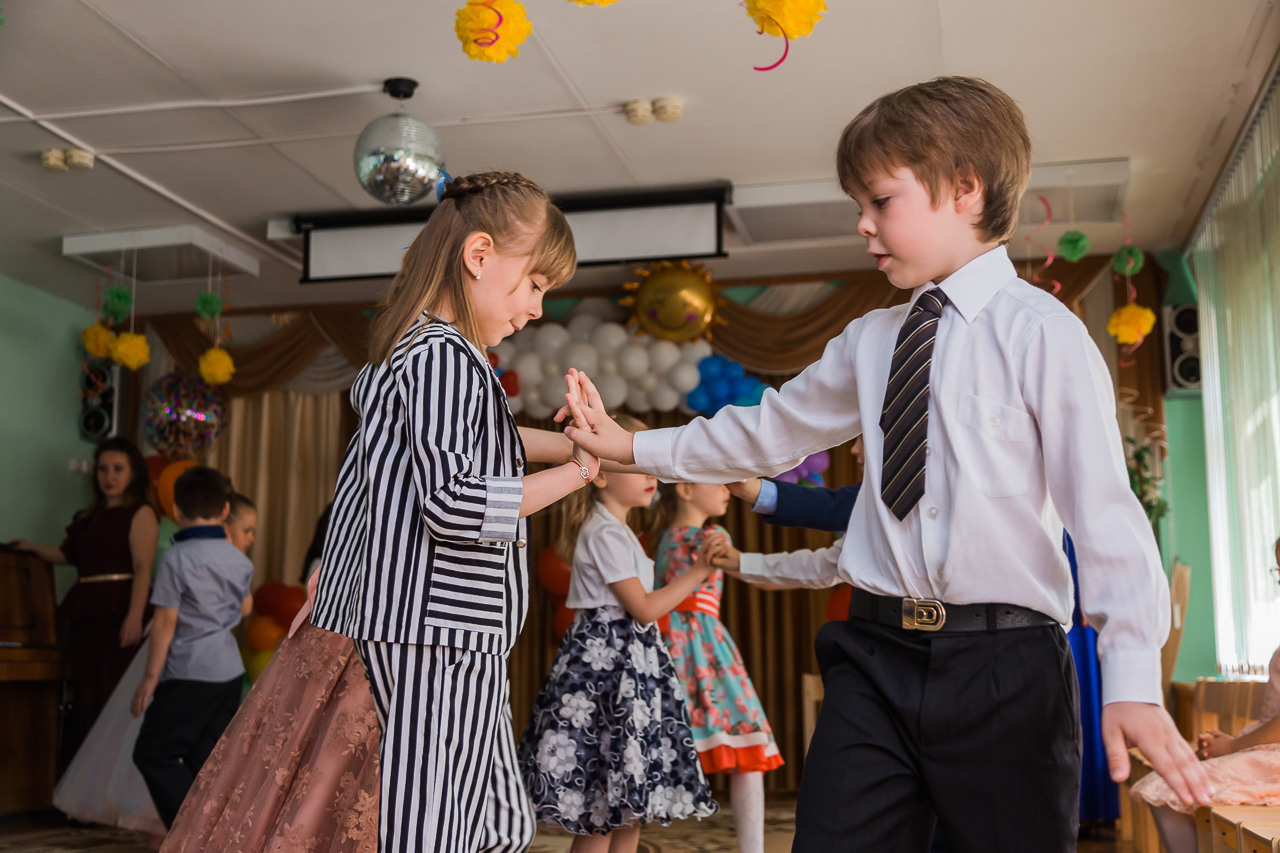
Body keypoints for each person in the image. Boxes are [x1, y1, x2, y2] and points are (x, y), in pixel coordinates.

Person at [558, 75, 1210, 851]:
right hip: (873, 655)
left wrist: (1132, 676)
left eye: (880, 200)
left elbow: (1105, 514)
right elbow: (768, 430)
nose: (863, 224)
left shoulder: (1043, 333)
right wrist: (630, 446)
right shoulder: (870, 340)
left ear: (964, 188)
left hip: (1006, 665)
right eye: (858, 206)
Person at [308, 170, 594, 853]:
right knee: (429, 829)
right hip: (432, 631)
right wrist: (580, 472)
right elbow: (456, 501)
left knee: (499, 823)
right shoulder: (444, 356)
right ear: (479, 255)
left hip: (447, 630)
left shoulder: (427, 353)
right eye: (536, 284)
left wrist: (582, 444)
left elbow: (471, 445)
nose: (537, 308)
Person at [519, 414, 721, 853]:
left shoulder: (622, 532)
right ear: (601, 476)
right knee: (601, 808)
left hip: (632, 674)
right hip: (607, 678)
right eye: (635, 464)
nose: (650, 475)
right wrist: (699, 571)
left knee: (630, 806)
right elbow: (644, 608)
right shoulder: (603, 532)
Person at [51, 492, 261, 847]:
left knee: (169, 749)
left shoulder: (194, 555)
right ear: (224, 522)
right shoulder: (227, 561)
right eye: (247, 530)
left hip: (195, 665)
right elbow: (238, 610)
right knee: (185, 752)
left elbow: (180, 615)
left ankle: (192, 830)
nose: (251, 538)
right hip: (204, 666)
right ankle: (194, 828)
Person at [649, 480, 782, 853]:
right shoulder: (713, 536)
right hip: (703, 646)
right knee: (746, 737)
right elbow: (755, 575)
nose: (727, 489)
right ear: (686, 489)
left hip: (666, 644)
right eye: (718, 480)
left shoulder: (662, 539)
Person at [1131, 535, 1280, 853]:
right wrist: (1229, 744)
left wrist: (1234, 746)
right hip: (1267, 748)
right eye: (1278, 570)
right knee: (1176, 776)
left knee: (1170, 786)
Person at [12, 436, 159, 760]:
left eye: (118, 469)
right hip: (85, 613)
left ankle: (109, 771)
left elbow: (143, 567)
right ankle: (82, 774)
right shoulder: (89, 516)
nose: (109, 476)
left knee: (111, 693)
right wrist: (33, 547)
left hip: (118, 611)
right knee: (85, 694)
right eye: (103, 469)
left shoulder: (140, 512)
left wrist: (135, 616)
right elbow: (68, 554)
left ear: (133, 472)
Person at [130, 466, 254, 830]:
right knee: (207, 762)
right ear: (225, 510)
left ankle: (192, 835)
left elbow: (165, 622)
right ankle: (215, 835)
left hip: (190, 671)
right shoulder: (239, 559)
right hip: (228, 672)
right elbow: (245, 608)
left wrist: (150, 678)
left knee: (153, 753)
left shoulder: (176, 557)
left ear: (177, 511)